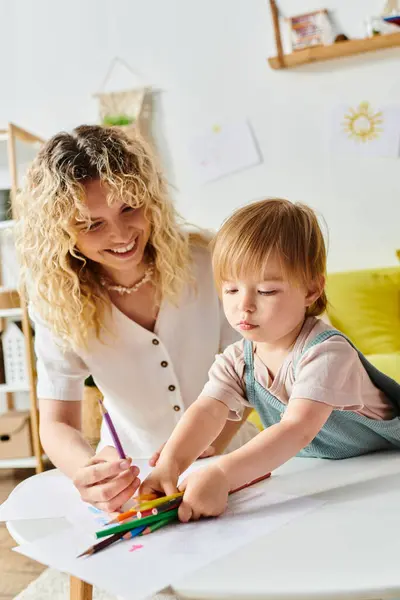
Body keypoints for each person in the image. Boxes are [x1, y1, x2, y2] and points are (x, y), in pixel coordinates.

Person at [14, 125, 258, 513]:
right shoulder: (55, 302)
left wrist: (210, 448)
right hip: (134, 482)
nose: (121, 233)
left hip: (234, 459)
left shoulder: (208, 262)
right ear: (62, 233)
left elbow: (250, 373)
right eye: (92, 224)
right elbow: (57, 423)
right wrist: (87, 472)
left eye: (129, 207)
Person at [140, 198, 400, 522]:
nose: (244, 305)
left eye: (266, 291)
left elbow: (296, 429)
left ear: (311, 290)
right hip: (327, 471)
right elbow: (208, 409)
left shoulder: (327, 353)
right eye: (231, 290)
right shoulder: (238, 358)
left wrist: (223, 473)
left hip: (386, 466)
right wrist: (171, 463)